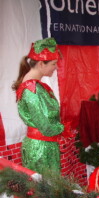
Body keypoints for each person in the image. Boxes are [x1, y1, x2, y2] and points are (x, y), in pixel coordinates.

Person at [11, 37, 73, 175]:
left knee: (48, 190)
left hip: (44, 146)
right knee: (45, 191)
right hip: (41, 149)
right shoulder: (31, 90)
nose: (56, 68)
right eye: (54, 64)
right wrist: (63, 128)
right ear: (41, 64)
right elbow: (46, 127)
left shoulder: (36, 87)